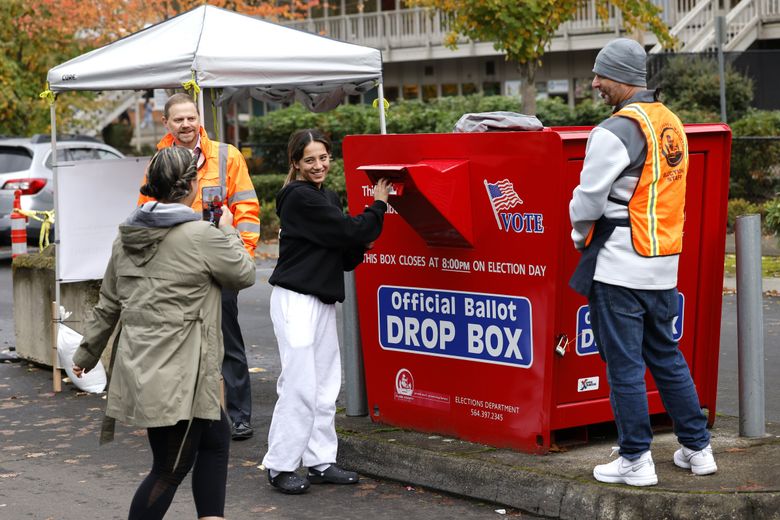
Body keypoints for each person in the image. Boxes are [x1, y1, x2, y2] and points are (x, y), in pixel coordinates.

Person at [72, 146, 256, 519]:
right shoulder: (202, 235)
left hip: (148, 368)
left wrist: (85, 354)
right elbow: (244, 274)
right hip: (181, 373)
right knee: (169, 470)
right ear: (189, 185)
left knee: (216, 439)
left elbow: (109, 303)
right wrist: (228, 231)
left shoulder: (125, 236)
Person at [568, 38, 717, 487]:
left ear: (622, 78)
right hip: (662, 263)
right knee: (666, 357)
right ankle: (698, 448)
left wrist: (578, 235)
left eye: (600, 75)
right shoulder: (670, 123)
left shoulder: (614, 130)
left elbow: (587, 199)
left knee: (625, 365)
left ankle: (635, 459)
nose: (594, 83)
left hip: (618, 265)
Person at [262, 129, 391, 494]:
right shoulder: (298, 197)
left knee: (323, 385)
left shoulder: (325, 196)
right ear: (296, 164)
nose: (319, 166)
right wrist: (377, 208)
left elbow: (347, 247)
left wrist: (359, 234)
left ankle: (320, 460)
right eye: (310, 160)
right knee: (300, 385)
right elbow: (350, 231)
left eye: (323, 158)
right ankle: (280, 465)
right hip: (295, 300)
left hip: (318, 298)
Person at [137, 93, 261, 441]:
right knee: (182, 344)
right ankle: (191, 415)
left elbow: (247, 209)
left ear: (199, 118)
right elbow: (147, 211)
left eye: (191, 118)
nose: (187, 125)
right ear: (167, 123)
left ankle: (238, 416)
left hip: (218, 264)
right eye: (179, 120)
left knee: (228, 342)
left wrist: (244, 255)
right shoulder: (159, 161)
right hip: (178, 270)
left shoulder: (227, 156)